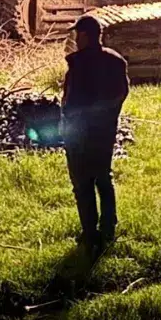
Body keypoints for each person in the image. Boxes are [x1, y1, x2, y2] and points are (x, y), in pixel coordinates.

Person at [62, 15, 129, 253]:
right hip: (104, 131)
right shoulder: (116, 61)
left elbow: (70, 102)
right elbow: (122, 94)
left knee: (82, 184)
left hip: (80, 133)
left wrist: (68, 124)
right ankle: (108, 227)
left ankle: (90, 233)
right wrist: (107, 117)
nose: (75, 39)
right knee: (103, 177)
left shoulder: (78, 64)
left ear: (84, 35)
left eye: (77, 34)